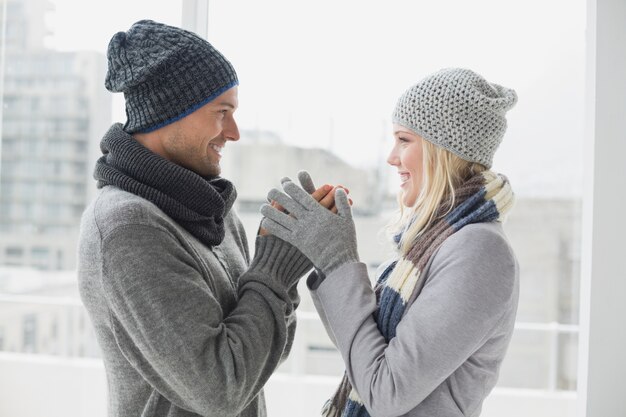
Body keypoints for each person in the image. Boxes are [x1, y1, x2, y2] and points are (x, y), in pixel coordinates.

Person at [77, 20, 337, 417]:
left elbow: (264, 357)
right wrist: (273, 270)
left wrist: (283, 263)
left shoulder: (212, 211)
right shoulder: (128, 227)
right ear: (170, 112)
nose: (233, 132)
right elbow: (220, 391)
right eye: (222, 112)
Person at [261, 68, 520, 416]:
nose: (392, 157)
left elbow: (386, 393)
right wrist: (323, 256)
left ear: (442, 148)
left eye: (404, 139)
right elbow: (362, 361)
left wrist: (339, 261)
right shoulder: (433, 241)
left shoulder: (480, 251)